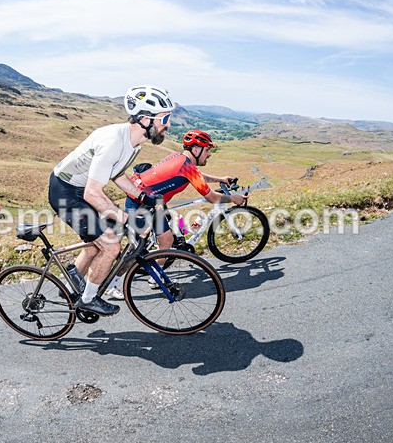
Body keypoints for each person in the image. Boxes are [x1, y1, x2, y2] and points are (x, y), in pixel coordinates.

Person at [48, 84, 172, 316]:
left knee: (97, 244)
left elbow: (117, 173)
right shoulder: (113, 141)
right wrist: (126, 218)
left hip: (81, 190)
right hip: (66, 191)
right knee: (111, 245)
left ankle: (68, 287)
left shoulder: (134, 142)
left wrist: (142, 195)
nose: (168, 124)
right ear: (145, 119)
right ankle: (88, 299)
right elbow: (92, 194)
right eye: (164, 118)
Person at [103, 129, 246, 299]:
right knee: (138, 249)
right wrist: (233, 198)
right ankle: (109, 284)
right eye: (207, 150)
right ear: (196, 149)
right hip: (139, 203)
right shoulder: (186, 166)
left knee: (166, 240)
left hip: (152, 202)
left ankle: (155, 277)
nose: (209, 155)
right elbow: (212, 197)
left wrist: (220, 179)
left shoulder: (180, 158)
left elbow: (196, 175)